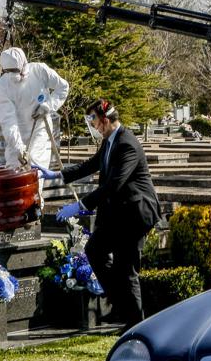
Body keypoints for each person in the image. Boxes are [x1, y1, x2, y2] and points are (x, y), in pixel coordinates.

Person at [33, 99, 161, 332]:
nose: (92, 125)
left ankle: (135, 324)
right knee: (95, 250)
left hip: (136, 212)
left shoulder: (127, 143)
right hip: (119, 212)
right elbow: (91, 165)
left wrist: (80, 205)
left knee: (126, 268)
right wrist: (57, 174)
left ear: (105, 120)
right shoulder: (109, 141)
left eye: (93, 120)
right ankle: (123, 306)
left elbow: (114, 184)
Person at [0, 47, 69, 194]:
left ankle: (35, 208)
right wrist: (19, 147)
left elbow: (63, 87)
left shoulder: (40, 71)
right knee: (13, 171)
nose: (17, 75)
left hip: (40, 129)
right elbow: (8, 121)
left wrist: (48, 106)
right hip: (17, 133)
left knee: (35, 168)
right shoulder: (3, 85)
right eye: (12, 72)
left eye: (18, 70)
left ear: (24, 64)